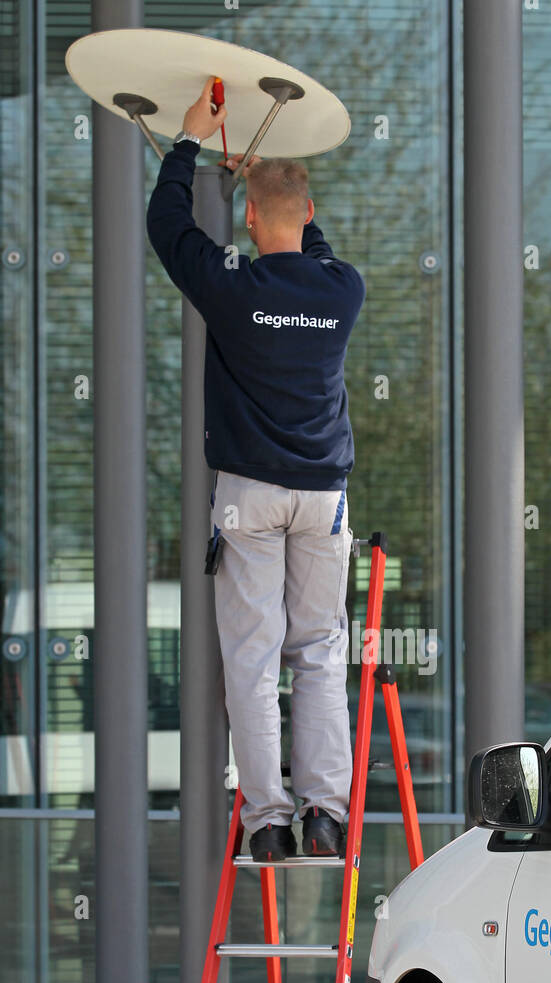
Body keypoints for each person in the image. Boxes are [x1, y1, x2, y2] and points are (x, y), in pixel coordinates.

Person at [146, 77, 366, 860]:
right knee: (318, 653)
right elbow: (314, 246)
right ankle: (326, 816)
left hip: (248, 495)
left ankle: (267, 819)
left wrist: (186, 144)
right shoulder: (343, 291)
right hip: (321, 501)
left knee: (252, 654)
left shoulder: (230, 287)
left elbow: (167, 227)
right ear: (308, 216)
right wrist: (275, 182)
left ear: (245, 218)